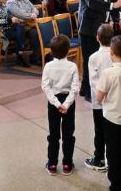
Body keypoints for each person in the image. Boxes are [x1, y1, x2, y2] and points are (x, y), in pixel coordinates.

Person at [95, 36, 121, 191]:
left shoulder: (108, 73)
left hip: (112, 119)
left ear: (111, 53)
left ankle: (116, 185)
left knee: (113, 154)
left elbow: (99, 98)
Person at [41, 35, 80, 176]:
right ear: (68, 50)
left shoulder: (48, 66)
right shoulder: (72, 66)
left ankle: (52, 164)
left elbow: (45, 87)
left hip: (53, 103)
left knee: (54, 134)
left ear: (51, 51)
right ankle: (67, 164)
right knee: (68, 134)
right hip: (68, 102)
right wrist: (66, 104)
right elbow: (75, 88)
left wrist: (57, 104)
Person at [84, 24, 113, 172]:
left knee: (99, 130)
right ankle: (112, 159)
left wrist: (99, 97)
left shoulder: (94, 57)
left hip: (99, 100)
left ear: (97, 38)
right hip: (114, 99)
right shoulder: (115, 54)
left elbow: (93, 82)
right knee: (112, 130)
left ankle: (99, 158)